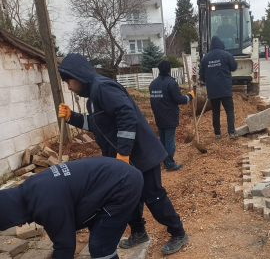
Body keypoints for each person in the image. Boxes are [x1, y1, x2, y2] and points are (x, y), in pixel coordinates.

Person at [58, 54, 188, 255]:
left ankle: (178, 232)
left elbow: (126, 114)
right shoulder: (93, 95)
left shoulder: (102, 87)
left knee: (153, 196)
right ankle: (138, 232)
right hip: (124, 158)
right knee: (128, 197)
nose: (68, 87)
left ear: (78, 74)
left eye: (68, 81)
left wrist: (124, 154)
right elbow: (97, 125)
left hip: (142, 155)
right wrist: (71, 117)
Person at [0, 157, 143, 259]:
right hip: (112, 177)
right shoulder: (30, 188)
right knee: (98, 232)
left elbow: (65, 247)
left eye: (13, 222)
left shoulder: (46, 205)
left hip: (123, 185)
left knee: (101, 247)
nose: (19, 224)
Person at [149, 61, 194, 172]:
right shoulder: (171, 83)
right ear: (169, 70)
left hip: (159, 116)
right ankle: (169, 164)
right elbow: (179, 99)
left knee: (163, 140)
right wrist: (190, 96)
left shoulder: (153, 84)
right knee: (169, 142)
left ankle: (162, 161)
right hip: (169, 116)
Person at [199, 36, 238, 139]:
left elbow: (201, 74)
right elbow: (234, 67)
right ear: (221, 44)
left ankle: (217, 133)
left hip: (212, 90)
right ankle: (231, 132)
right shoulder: (226, 55)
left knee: (215, 111)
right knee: (229, 110)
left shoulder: (206, 58)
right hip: (225, 88)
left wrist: (208, 81)